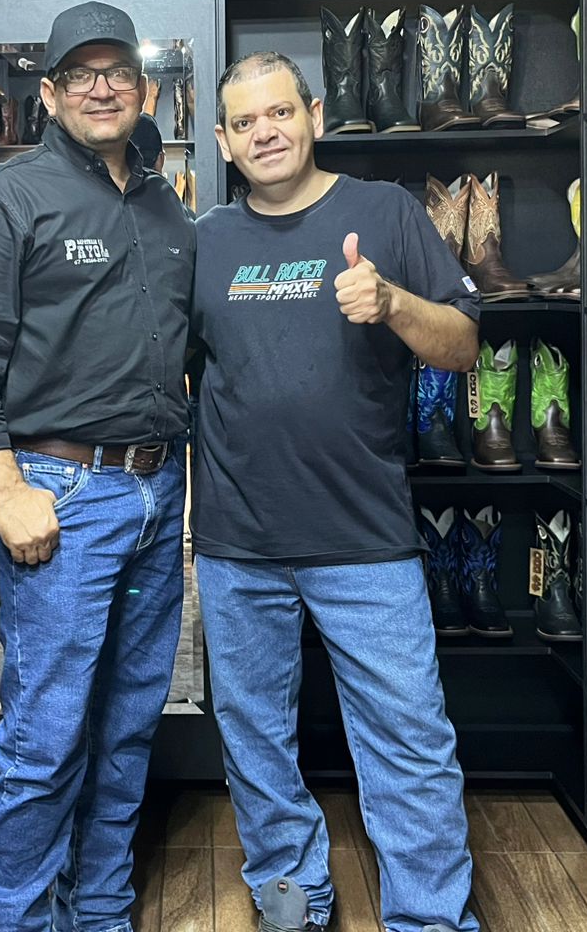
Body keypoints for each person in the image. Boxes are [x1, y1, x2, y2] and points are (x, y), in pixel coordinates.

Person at [190, 50, 482, 932]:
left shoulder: (383, 211)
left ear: (314, 115)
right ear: (222, 141)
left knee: (409, 742)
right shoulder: (205, 241)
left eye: (280, 112)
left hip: (364, 536)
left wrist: (392, 302)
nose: (265, 133)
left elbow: (463, 344)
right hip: (238, 542)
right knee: (254, 742)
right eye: (245, 122)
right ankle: (292, 899)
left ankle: (430, 920)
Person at [0, 2, 195, 932]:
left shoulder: (167, 208)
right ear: (47, 93)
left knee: (127, 722)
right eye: (81, 73)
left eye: (118, 71)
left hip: (157, 492)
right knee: (44, 735)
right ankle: (11, 921)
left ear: (145, 89)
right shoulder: (6, 198)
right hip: (61, 495)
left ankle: (98, 909)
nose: (102, 87)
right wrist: (6, 490)